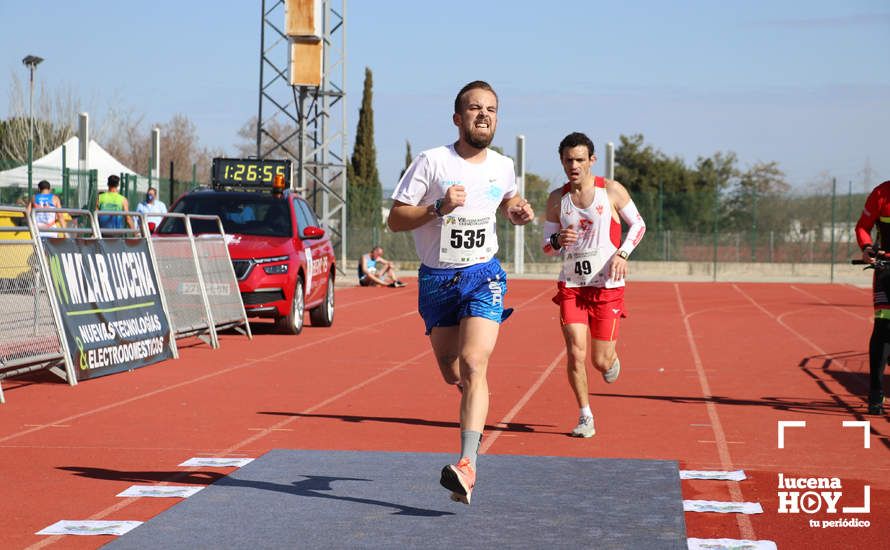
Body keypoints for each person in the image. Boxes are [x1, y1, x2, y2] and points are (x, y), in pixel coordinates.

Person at [387, 80, 535, 505]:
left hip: (482, 275)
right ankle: (473, 393)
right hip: (437, 281)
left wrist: (518, 211)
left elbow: (508, 199)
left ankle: (467, 464)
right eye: (474, 108)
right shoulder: (432, 162)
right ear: (458, 118)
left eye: (491, 109)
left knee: (474, 363)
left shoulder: (503, 166)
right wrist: (438, 208)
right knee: (453, 372)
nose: (484, 115)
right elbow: (396, 220)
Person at [542, 132, 646, 438]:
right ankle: (585, 416)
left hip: (607, 287)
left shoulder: (611, 191)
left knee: (600, 361)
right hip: (572, 286)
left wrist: (623, 253)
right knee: (575, 351)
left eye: (579, 159)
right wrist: (558, 239)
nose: (573, 165)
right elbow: (547, 247)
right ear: (561, 161)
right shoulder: (556, 199)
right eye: (567, 160)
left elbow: (638, 224)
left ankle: (610, 360)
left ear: (591, 161)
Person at [855, 179, 890, 416]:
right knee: (883, 327)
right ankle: (876, 393)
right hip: (886, 267)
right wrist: (867, 248)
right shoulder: (880, 193)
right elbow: (862, 227)